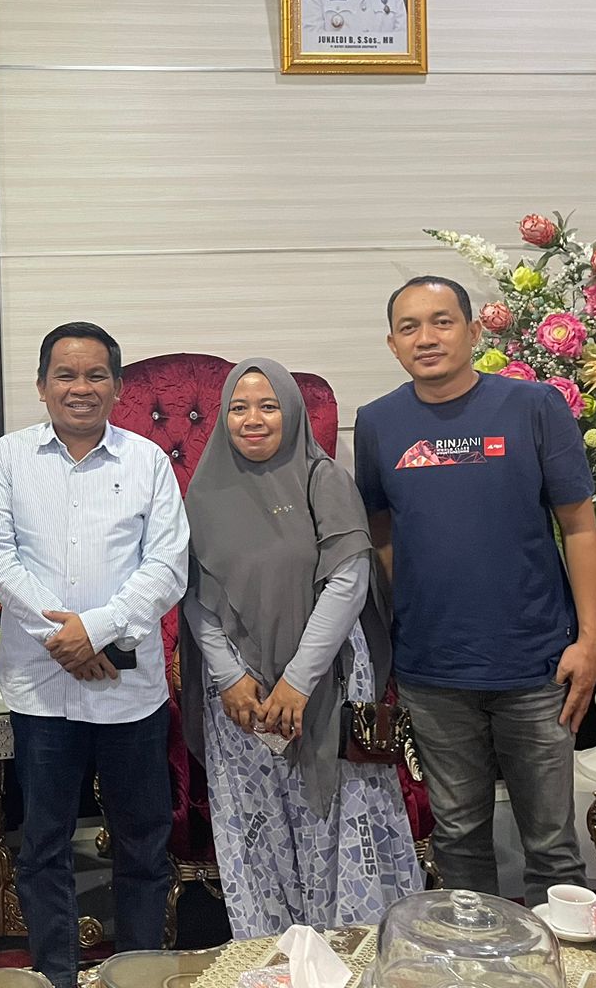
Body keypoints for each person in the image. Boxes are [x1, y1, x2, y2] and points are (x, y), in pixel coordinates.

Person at [354, 277, 596, 905]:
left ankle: (562, 955)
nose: (426, 337)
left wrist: (589, 641)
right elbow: (381, 536)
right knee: (459, 840)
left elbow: (579, 527)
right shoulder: (377, 423)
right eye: (409, 327)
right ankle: (474, 953)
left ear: (472, 331)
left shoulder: (534, 406)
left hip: (537, 665)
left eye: (441, 321)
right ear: (392, 344)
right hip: (432, 672)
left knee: (552, 846)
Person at [0, 322, 189, 988]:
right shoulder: (8, 457)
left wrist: (96, 631)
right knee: (43, 845)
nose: (80, 387)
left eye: (96, 375)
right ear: (42, 386)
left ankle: (139, 973)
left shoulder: (146, 461)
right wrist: (63, 639)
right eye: (65, 375)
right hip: (42, 690)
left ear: (118, 387)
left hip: (130, 692)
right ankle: (56, 975)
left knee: (143, 843)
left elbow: (167, 565)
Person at [181, 359, 422, 939]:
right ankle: (270, 953)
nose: (253, 419)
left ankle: (348, 954)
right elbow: (195, 595)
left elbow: (349, 581)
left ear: (291, 413)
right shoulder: (204, 492)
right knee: (254, 820)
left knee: (337, 816)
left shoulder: (323, 478)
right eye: (239, 407)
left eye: (268, 406)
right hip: (240, 692)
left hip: (326, 677)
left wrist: (297, 681)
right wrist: (229, 677)